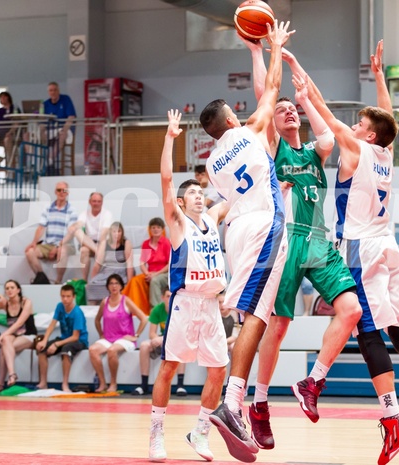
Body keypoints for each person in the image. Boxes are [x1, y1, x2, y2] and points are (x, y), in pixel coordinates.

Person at [297, 39, 399, 463]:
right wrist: (380, 77)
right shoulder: (384, 152)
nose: (355, 126)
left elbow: (327, 114)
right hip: (388, 246)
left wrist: (300, 78)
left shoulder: (359, 148)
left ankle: (393, 417)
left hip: (361, 247)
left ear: (368, 134)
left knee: (367, 333)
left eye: (360, 123)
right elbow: (390, 119)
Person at [241, 37, 361, 450]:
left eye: (291, 109)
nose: (287, 111)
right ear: (270, 123)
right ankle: (258, 404)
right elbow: (265, 96)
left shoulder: (313, 151)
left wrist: (303, 94)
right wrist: (261, 52)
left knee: (351, 311)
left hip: (319, 241)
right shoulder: (271, 150)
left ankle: (313, 381)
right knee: (278, 326)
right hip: (285, 243)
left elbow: (327, 134)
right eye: (281, 110)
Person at [198, 20, 292, 463]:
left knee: (254, 313)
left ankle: (234, 401)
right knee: (258, 312)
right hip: (263, 225)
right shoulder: (250, 129)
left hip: (236, 231)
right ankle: (232, 404)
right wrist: (272, 48)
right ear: (231, 119)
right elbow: (271, 91)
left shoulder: (214, 161)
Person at [148, 109, 230, 462]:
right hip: (184, 303)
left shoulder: (211, 219)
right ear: (181, 203)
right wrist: (169, 137)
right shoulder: (178, 223)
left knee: (219, 370)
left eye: (201, 191)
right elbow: (167, 180)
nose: (200, 195)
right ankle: (156, 434)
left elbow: (238, 197)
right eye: (193, 192)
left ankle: (200, 432)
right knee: (168, 367)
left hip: (211, 304)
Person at [89, 274, 147, 393]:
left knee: (112, 350)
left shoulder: (126, 300)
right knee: (92, 350)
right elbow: (97, 319)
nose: (114, 286)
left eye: (116, 283)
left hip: (124, 339)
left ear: (121, 286)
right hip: (108, 338)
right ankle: (102, 382)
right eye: (111, 283)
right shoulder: (105, 302)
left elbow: (144, 318)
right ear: (107, 286)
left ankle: (113, 383)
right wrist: (101, 334)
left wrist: (135, 335)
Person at [0, 280, 37, 392]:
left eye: (12, 287)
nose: (9, 290)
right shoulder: (5, 303)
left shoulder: (26, 302)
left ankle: (0, 383)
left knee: (4, 347)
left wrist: (2, 336)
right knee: (6, 341)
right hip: (14, 336)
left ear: (18, 290)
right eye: (7, 288)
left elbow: (19, 323)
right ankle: (12, 374)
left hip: (29, 336)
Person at [35, 284, 88, 392]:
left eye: (68, 296)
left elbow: (75, 337)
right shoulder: (60, 306)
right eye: (63, 296)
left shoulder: (77, 312)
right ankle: (43, 382)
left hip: (79, 341)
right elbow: (52, 324)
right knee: (41, 349)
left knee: (66, 350)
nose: (65, 299)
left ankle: (65, 384)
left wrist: (56, 344)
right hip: (64, 338)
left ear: (73, 297)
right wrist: (44, 340)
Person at [25, 181, 77, 284]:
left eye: (64, 190)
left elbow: (71, 233)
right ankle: (42, 278)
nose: (61, 192)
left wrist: (58, 247)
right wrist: (34, 242)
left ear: (67, 192)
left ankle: (58, 281)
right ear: (55, 192)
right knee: (30, 252)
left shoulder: (72, 210)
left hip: (66, 244)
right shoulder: (47, 208)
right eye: (59, 190)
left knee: (62, 251)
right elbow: (41, 227)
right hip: (48, 244)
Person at [122, 217, 171, 315]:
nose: (156, 229)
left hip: (164, 273)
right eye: (153, 227)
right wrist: (147, 273)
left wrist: (155, 274)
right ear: (150, 229)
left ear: (162, 229)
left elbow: (169, 264)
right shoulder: (146, 244)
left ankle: (155, 310)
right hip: (149, 273)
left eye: (158, 227)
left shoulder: (166, 243)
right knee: (135, 281)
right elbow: (142, 263)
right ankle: (135, 309)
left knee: (155, 281)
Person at [62, 192, 113, 281]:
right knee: (82, 247)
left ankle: (95, 278)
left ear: (102, 202)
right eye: (94, 201)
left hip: (103, 242)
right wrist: (73, 226)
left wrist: (100, 248)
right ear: (90, 202)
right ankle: (84, 280)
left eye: (98, 201)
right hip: (89, 243)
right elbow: (79, 223)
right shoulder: (84, 213)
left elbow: (104, 233)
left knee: (102, 242)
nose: (96, 203)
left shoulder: (107, 214)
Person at [132, 285, 172, 396]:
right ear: (162, 297)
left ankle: (180, 385)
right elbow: (152, 333)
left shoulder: (179, 309)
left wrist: (163, 339)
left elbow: (181, 334)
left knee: (180, 347)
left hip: (176, 341)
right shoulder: (157, 309)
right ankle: (144, 385)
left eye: (172, 296)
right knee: (144, 345)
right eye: (168, 296)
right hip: (163, 340)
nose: (170, 299)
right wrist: (157, 339)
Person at [86, 222, 134, 303]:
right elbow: (98, 264)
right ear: (110, 233)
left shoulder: (126, 243)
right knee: (92, 285)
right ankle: (93, 310)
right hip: (107, 271)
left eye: (119, 231)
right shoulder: (105, 243)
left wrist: (130, 282)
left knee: (118, 284)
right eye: (114, 231)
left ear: (122, 232)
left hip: (122, 271)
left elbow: (129, 264)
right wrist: (92, 280)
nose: (117, 234)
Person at [41, 81, 77, 166]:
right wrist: (41, 131)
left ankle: (50, 160)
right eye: (51, 90)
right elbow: (42, 121)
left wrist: (64, 130)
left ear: (58, 91)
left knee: (62, 135)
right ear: (48, 92)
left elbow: (71, 117)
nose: (53, 92)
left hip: (65, 129)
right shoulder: (45, 104)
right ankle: (38, 161)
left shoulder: (66, 99)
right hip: (51, 130)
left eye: (55, 90)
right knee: (36, 135)